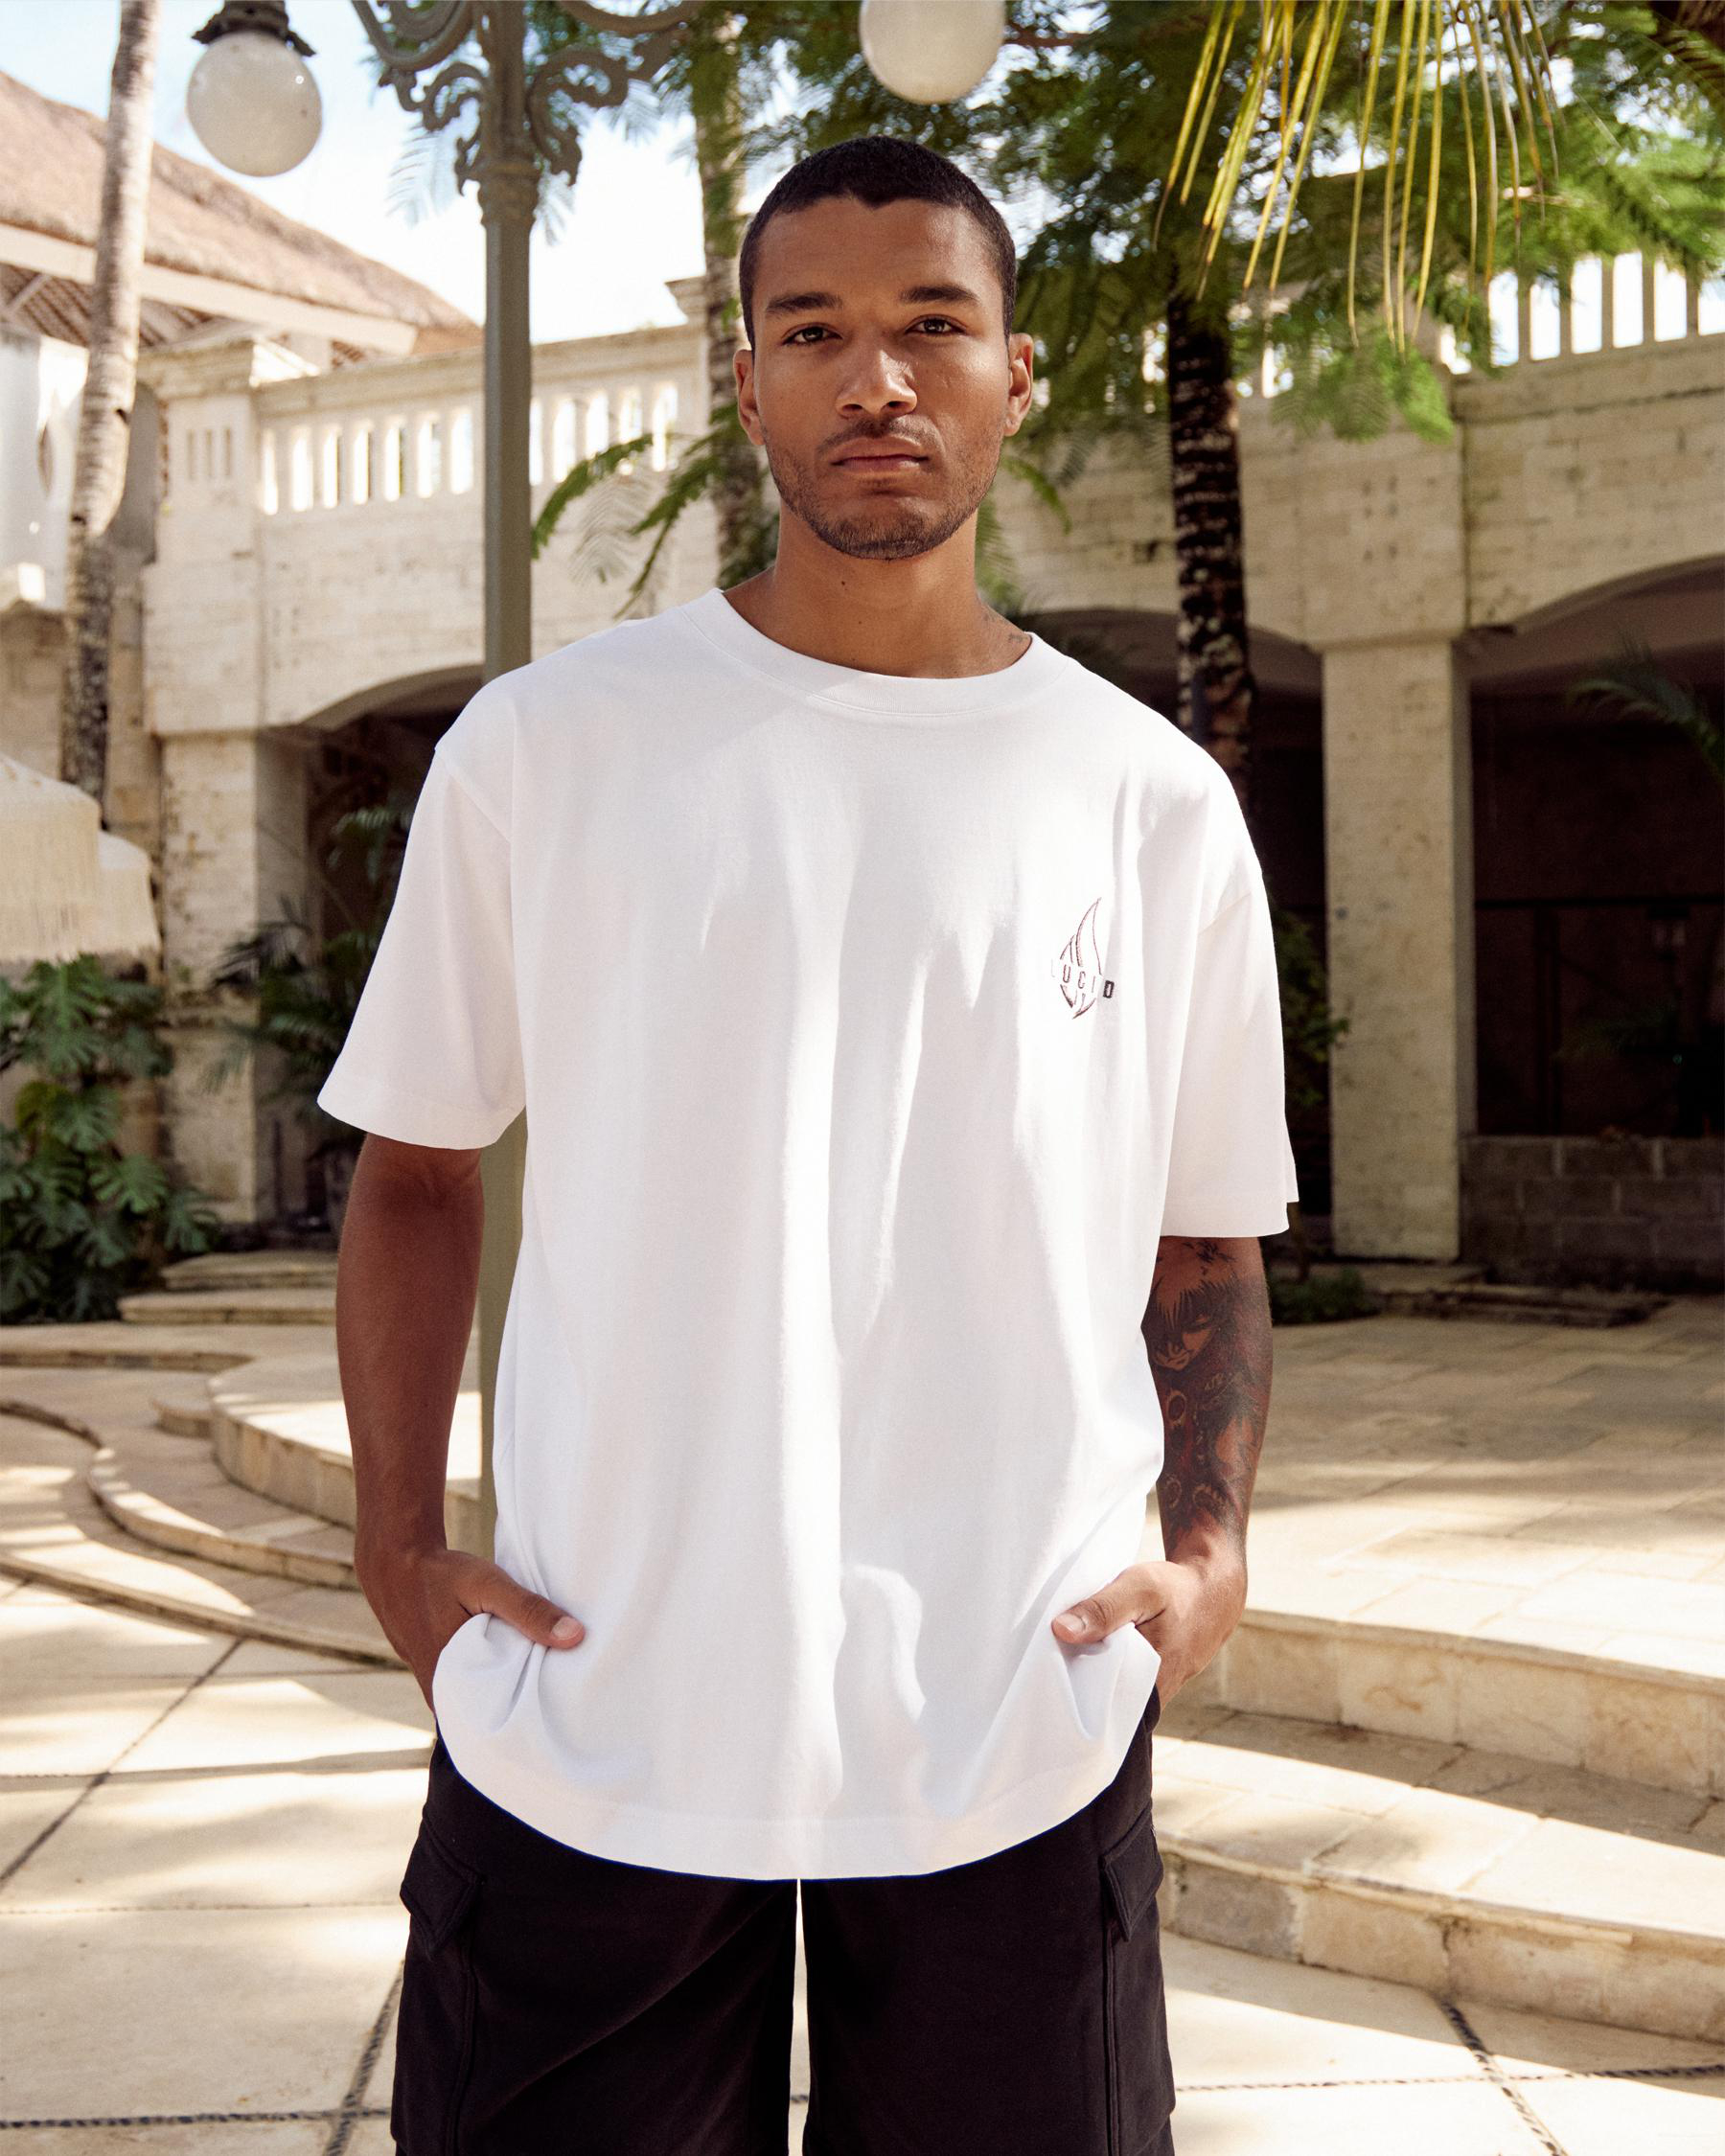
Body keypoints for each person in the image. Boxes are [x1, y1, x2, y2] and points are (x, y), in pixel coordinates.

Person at [318, 134, 1299, 2156]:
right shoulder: (550, 748)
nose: (879, 380)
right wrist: (396, 1544)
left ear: (1017, 375)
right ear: (747, 380)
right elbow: (414, 1172)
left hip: (1017, 1720)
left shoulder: (1149, 802)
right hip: (597, 1705)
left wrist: (1208, 1554)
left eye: (934, 324)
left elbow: (1206, 1238)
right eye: (817, 331)